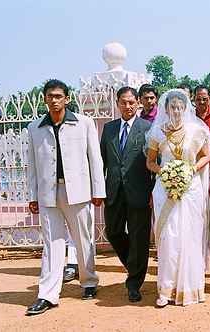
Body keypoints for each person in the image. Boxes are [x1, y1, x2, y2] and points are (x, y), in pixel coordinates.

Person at [26, 79, 105, 315]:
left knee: (83, 239)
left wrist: (98, 191)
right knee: (51, 245)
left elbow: (95, 158)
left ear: (67, 99)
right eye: (50, 96)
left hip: (79, 191)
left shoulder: (84, 124)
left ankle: (89, 281)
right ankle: (48, 294)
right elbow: (31, 165)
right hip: (48, 193)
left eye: (58, 96)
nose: (54, 100)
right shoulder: (34, 128)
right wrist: (33, 195)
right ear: (44, 99)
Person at [146, 89, 210, 307]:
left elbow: (206, 156)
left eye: (179, 106)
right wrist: (164, 172)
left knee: (189, 235)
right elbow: (150, 162)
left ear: (185, 109)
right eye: (172, 106)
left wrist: (190, 170)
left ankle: (190, 288)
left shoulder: (196, 131)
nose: (176, 110)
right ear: (165, 109)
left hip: (190, 189)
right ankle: (166, 289)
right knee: (168, 236)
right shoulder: (156, 133)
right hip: (164, 189)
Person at [100, 86, 154, 303]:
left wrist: (154, 191)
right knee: (113, 232)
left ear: (138, 103)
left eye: (132, 102)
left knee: (139, 238)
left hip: (140, 191)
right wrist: (97, 190)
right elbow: (102, 161)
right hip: (114, 190)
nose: (128, 106)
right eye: (123, 102)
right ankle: (134, 265)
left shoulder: (147, 128)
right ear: (117, 103)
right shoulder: (109, 128)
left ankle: (134, 283)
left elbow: (154, 162)